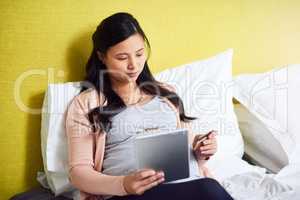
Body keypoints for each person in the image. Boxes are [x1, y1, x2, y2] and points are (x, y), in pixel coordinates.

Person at [65, 12, 234, 200]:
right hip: (131, 194)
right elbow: (78, 172)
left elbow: (189, 143)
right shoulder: (86, 103)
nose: (134, 65)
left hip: (188, 186)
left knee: (209, 189)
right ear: (102, 57)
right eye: (122, 58)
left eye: (139, 54)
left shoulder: (167, 94)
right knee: (209, 191)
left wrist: (202, 149)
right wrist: (124, 184)